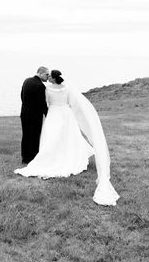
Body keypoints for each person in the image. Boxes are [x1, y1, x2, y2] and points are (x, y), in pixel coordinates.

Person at [15, 70, 119, 206]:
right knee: (68, 138)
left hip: (53, 114)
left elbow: (45, 102)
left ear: (52, 78)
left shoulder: (47, 88)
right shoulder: (67, 88)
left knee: (52, 138)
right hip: (66, 114)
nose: (48, 78)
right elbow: (71, 103)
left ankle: (48, 157)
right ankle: (70, 156)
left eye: (49, 76)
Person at [20, 66, 49, 164]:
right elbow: (42, 104)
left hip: (24, 113)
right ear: (40, 73)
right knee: (35, 136)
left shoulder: (26, 81)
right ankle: (33, 157)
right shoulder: (40, 86)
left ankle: (25, 158)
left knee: (26, 135)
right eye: (46, 74)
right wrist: (48, 114)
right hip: (35, 116)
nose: (48, 77)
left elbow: (22, 96)